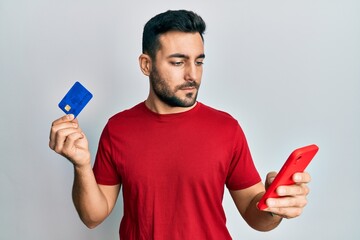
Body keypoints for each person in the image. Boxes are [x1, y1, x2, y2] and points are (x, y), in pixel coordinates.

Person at [49, 10, 311, 239]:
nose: (192, 75)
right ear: (146, 64)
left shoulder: (226, 129)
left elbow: (255, 216)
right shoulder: (117, 129)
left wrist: (275, 207)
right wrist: (81, 165)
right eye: (178, 62)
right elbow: (93, 217)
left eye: (198, 62)